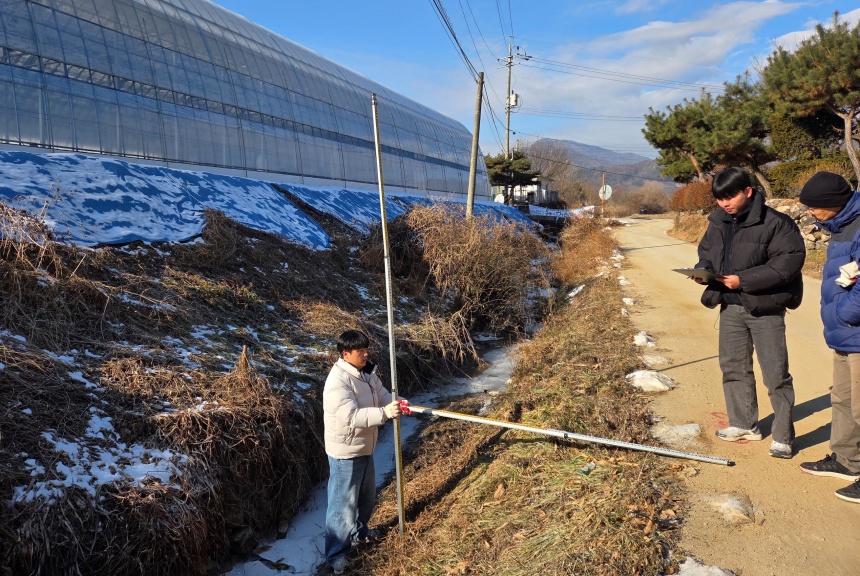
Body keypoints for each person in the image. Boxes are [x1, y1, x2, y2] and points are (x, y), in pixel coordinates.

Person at [694, 167, 805, 458]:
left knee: (776, 375)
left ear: (748, 191)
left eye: (730, 196)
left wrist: (744, 280)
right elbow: (707, 251)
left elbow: (788, 263)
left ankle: (783, 436)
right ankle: (743, 424)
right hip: (730, 305)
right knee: (733, 368)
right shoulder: (718, 221)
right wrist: (703, 271)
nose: (724, 203)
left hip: (765, 308)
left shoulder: (777, 223)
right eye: (719, 198)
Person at [796, 171, 860, 504]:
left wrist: (841, 314)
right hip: (844, 335)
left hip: (854, 329)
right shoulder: (839, 227)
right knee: (843, 401)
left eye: (812, 207)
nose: (808, 212)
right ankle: (847, 461)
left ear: (832, 204)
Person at [322, 330, 406, 574]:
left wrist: (396, 402)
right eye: (360, 351)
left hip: (365, 446)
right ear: (346, 354)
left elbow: (380, 395)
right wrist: (384, 414)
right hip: (345, 452)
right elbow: (351, 417)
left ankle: (359, 533)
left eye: (366, 349)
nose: (366, 353)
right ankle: (336, 554)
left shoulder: (366, 372)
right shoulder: (337, 382)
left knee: (366, 497)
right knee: (342, 505)